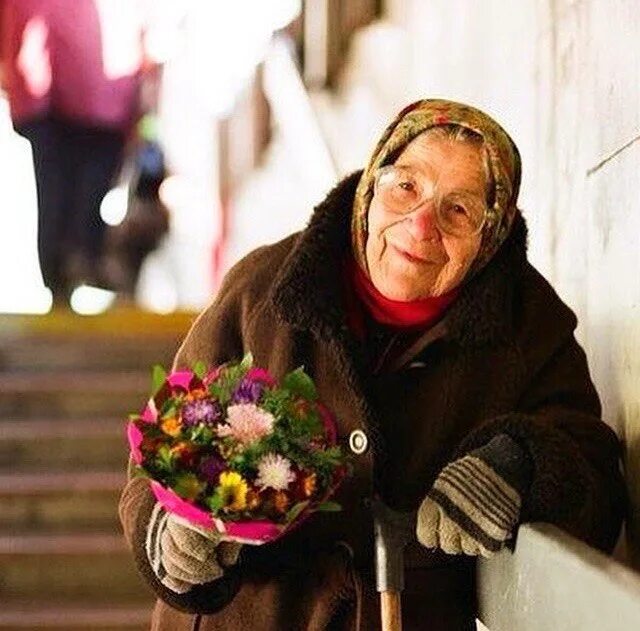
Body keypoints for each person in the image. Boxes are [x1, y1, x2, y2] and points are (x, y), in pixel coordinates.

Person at [119, 99, 627, 630]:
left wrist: (521, 463)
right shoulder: (262, 290)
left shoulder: (528, 326)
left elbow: (591, 468)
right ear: (371, 188)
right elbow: (162, 451)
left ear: (490, 236)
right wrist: (168, 538)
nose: (421, 225)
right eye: (406, 186)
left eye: (459, 210)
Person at [0, 0, 147, 305]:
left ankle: (66, 274)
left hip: (75, 90)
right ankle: (74, 267)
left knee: (59, 195)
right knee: (74, 195)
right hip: (98, 93)